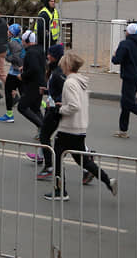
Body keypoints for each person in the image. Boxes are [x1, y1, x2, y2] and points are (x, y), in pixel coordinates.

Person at [46, 52, 118, 201]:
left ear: (67, 65)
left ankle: (60, 191)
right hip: (80, 128)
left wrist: (59, 109)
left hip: (68, 128)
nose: (61, 67)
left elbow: (74, 106)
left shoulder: (69, 83)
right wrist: (63, 105)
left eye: (62, 64)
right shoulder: (81, 82)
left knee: (57, 158)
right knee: (83, 161)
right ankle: (108, 181)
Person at [35, 43, 65, 179]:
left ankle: (48, 167)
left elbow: (64, 92)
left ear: (56, 57)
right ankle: (87, 165)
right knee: (69, 141)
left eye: (50, 55)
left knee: (44, 136)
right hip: (52, 108)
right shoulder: (55, 70)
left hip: (54, 110)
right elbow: (56, 90)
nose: (47, 56)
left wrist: (56, 102)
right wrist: (47, 91)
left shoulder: (58, 73)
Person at [17, 30, 45, 131]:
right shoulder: (40, 49)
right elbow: (39, 65)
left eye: (23, 41)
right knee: (35, 108)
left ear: (27, 41)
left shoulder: (31, 52)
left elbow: (34, 68)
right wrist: (25, 67)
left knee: (22, 107)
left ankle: (42, 127)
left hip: (33, 85)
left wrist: (23, 75)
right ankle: (44, 131)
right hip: (40, 83)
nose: (22, 43)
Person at [0, 23, 24, 123]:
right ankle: (41, 104)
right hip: (20, 70)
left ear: (12, 33)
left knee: (8, 91)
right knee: (25, 93)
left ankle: (9, 115)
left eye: (9, 31)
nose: (7, 32)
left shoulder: (12, 43)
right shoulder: (21, 41)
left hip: (15, 72)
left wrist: (7, 57)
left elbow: (14, 57)